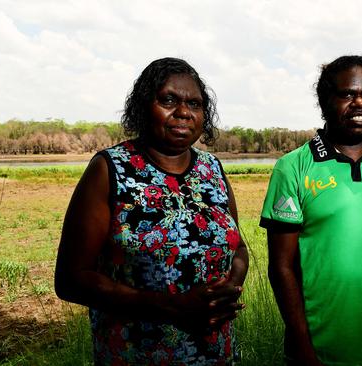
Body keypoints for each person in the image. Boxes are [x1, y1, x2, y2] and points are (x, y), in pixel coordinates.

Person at [54, 57, 249, 365]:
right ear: (144, 106)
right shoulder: (110, 169)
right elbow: (71, 279)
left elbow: (238, 246)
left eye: (195, 104)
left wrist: (229, 286)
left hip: (217, 354)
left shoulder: (212, 169)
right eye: (169, 100)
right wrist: (171, 307)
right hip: (137, 354)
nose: (183, 112)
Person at [260, 55, 362, 366]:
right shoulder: (292, 167)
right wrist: (304, 351)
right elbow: (281, 267)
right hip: (317, 352)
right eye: (348, 94)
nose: (360, 103)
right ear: (325, 101)